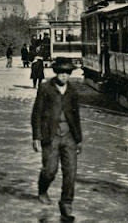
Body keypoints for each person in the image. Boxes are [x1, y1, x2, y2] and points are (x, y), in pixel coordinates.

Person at [31, 57, 82, 222]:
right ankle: (42, 188)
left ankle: (66, 204)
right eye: (61, 73)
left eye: (67, 73)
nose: (64, 76)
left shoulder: (73, 91)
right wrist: (36, 137)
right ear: (56, 73)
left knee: (71, 172)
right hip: (50, 135)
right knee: (50, 170)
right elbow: (36, 113)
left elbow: (76, 115)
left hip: (69, 136)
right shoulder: (45, 88)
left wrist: (79, 139)